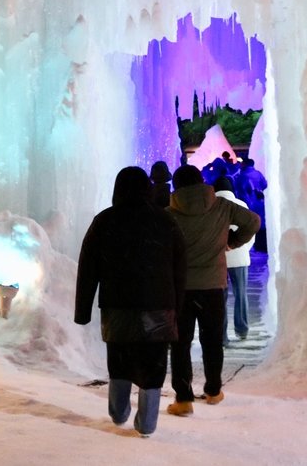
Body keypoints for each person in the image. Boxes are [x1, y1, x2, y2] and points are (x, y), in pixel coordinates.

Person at [75, 166, 187, 437]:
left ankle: (118, 411)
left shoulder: (105, 220)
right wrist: (177, 307)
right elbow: (180, 268)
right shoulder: (166, 221)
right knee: (154, 363)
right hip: (159, 304)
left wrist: (83, 310)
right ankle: (147, 422)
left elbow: (88, 267)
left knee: (119, 358)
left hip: (117, 304)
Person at [166, 164, 260, 417]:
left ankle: (184, 399)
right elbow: (253, 221)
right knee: (212, 341)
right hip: (213, 286)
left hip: (181, 288)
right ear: (202, 183)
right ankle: (213, 390)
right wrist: (232, 242)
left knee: (180, 344)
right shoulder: (222, 206)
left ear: (177, 187)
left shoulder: (168, 214)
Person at [214, 176, 255, 344]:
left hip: (218, 258)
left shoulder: (212, 207)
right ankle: (242, 329)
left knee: (219, 299)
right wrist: (244, 247)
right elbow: (251, 230)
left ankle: (222, 336)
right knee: (241, 294)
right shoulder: (241, 205)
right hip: (239, 257)